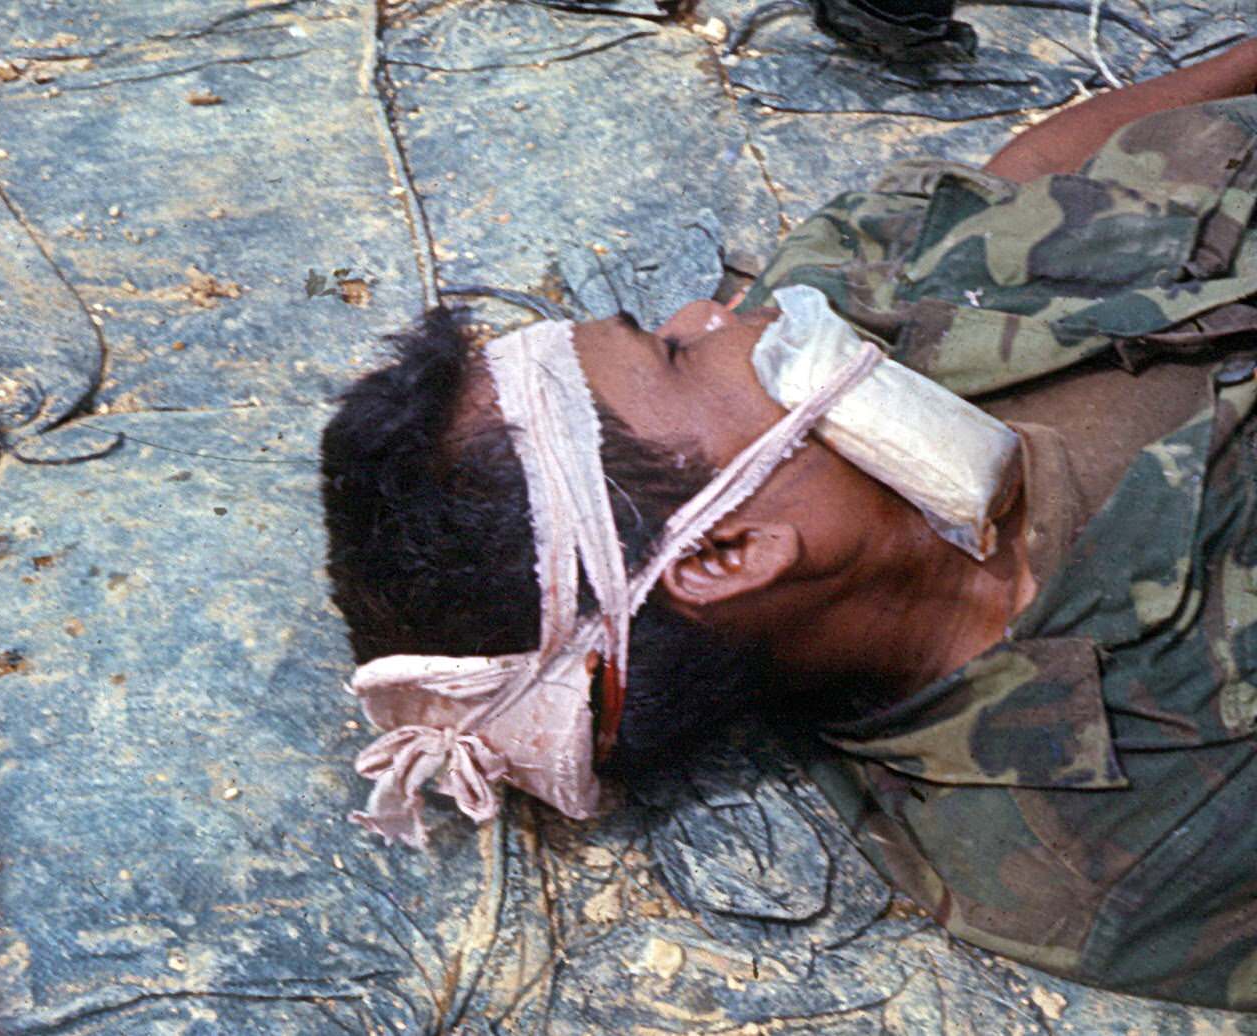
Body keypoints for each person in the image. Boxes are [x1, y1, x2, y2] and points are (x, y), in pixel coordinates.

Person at [320, 38, 1257, 1009]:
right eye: (677, 355)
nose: (713, 308)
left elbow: (1028, 180)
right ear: (730, 551)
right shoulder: (1132, 834)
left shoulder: (835, 314)